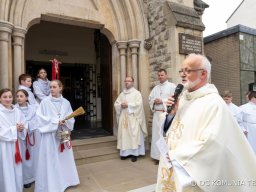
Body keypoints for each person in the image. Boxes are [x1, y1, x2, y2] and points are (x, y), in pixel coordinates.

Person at [156, 54, 256, 192]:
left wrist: (176, 156)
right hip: (171, 165)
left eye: (188, 70)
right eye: (181, 70)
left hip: (190, 172)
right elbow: (171, 129)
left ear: (203, 74)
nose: (183, 75)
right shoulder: (183, 98)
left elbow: (213, 143)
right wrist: (170, 115)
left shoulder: (214, 103)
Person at [34, 80, 79, 192]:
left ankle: (66, 181)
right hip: (50, 136)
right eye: (50, 87)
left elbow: (71, 118)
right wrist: (55, 122)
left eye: (54, 87)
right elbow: (39, 118)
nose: (52, 89)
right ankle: (53, 184)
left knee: (63, 158)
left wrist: (66, 122)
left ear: (60, 88)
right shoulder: (45, 102)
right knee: (52, 159)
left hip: (63, 134)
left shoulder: (66, 102)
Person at [114, 76, 147, 162]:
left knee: (133, 135)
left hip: (133, 117)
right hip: (124, 117)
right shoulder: (122, 94)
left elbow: (139, 104)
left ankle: (134, 154)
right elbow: (116, 104)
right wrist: (120, 105)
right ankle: (125, 154)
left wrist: (128, 105)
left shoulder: (137, 93)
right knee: (124, 135)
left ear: (133, 82)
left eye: (129, 81)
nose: (127, 82)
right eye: (125, 81)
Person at [0, 88, 27, 192]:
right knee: (6, 170)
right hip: (3, 146)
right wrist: (14, 129)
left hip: (16, 146)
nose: (8, 99)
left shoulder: (17, 111)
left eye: (10, 97)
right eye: (5, 97)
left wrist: (21, 128)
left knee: (17, 170)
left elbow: (24, 124)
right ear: (0, 98)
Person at [149, 69, 175, 163]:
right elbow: (150, 99)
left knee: (166, 136)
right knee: (157, 136)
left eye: (162, 75)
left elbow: (175, 99)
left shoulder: (172, 86)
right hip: (157, 115)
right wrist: (154, 101)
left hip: (166, 115)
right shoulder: (155, 88)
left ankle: (167, 157)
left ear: (166, 75)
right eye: (159, 75)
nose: (160, 77)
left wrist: (162, 101)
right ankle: (157, 157)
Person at [15, 89, 39, 188]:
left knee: (34, 157)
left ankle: (35, 176)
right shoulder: (14, 109)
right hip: (20, 138)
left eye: (21, 96)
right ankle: (25, 179)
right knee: (23, 158)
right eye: (17, 96)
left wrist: (27, 125)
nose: (19, 98)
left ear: (26, 98)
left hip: (33, 136)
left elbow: (38, 120)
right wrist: (22, 127)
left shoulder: (34, 108)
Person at [240, 87, 256, 153]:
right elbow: (239, 120)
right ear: (251, 98)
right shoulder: (243, 107)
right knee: (250, 146)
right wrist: (243, 129)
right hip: (249, 129)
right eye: (254, 97)